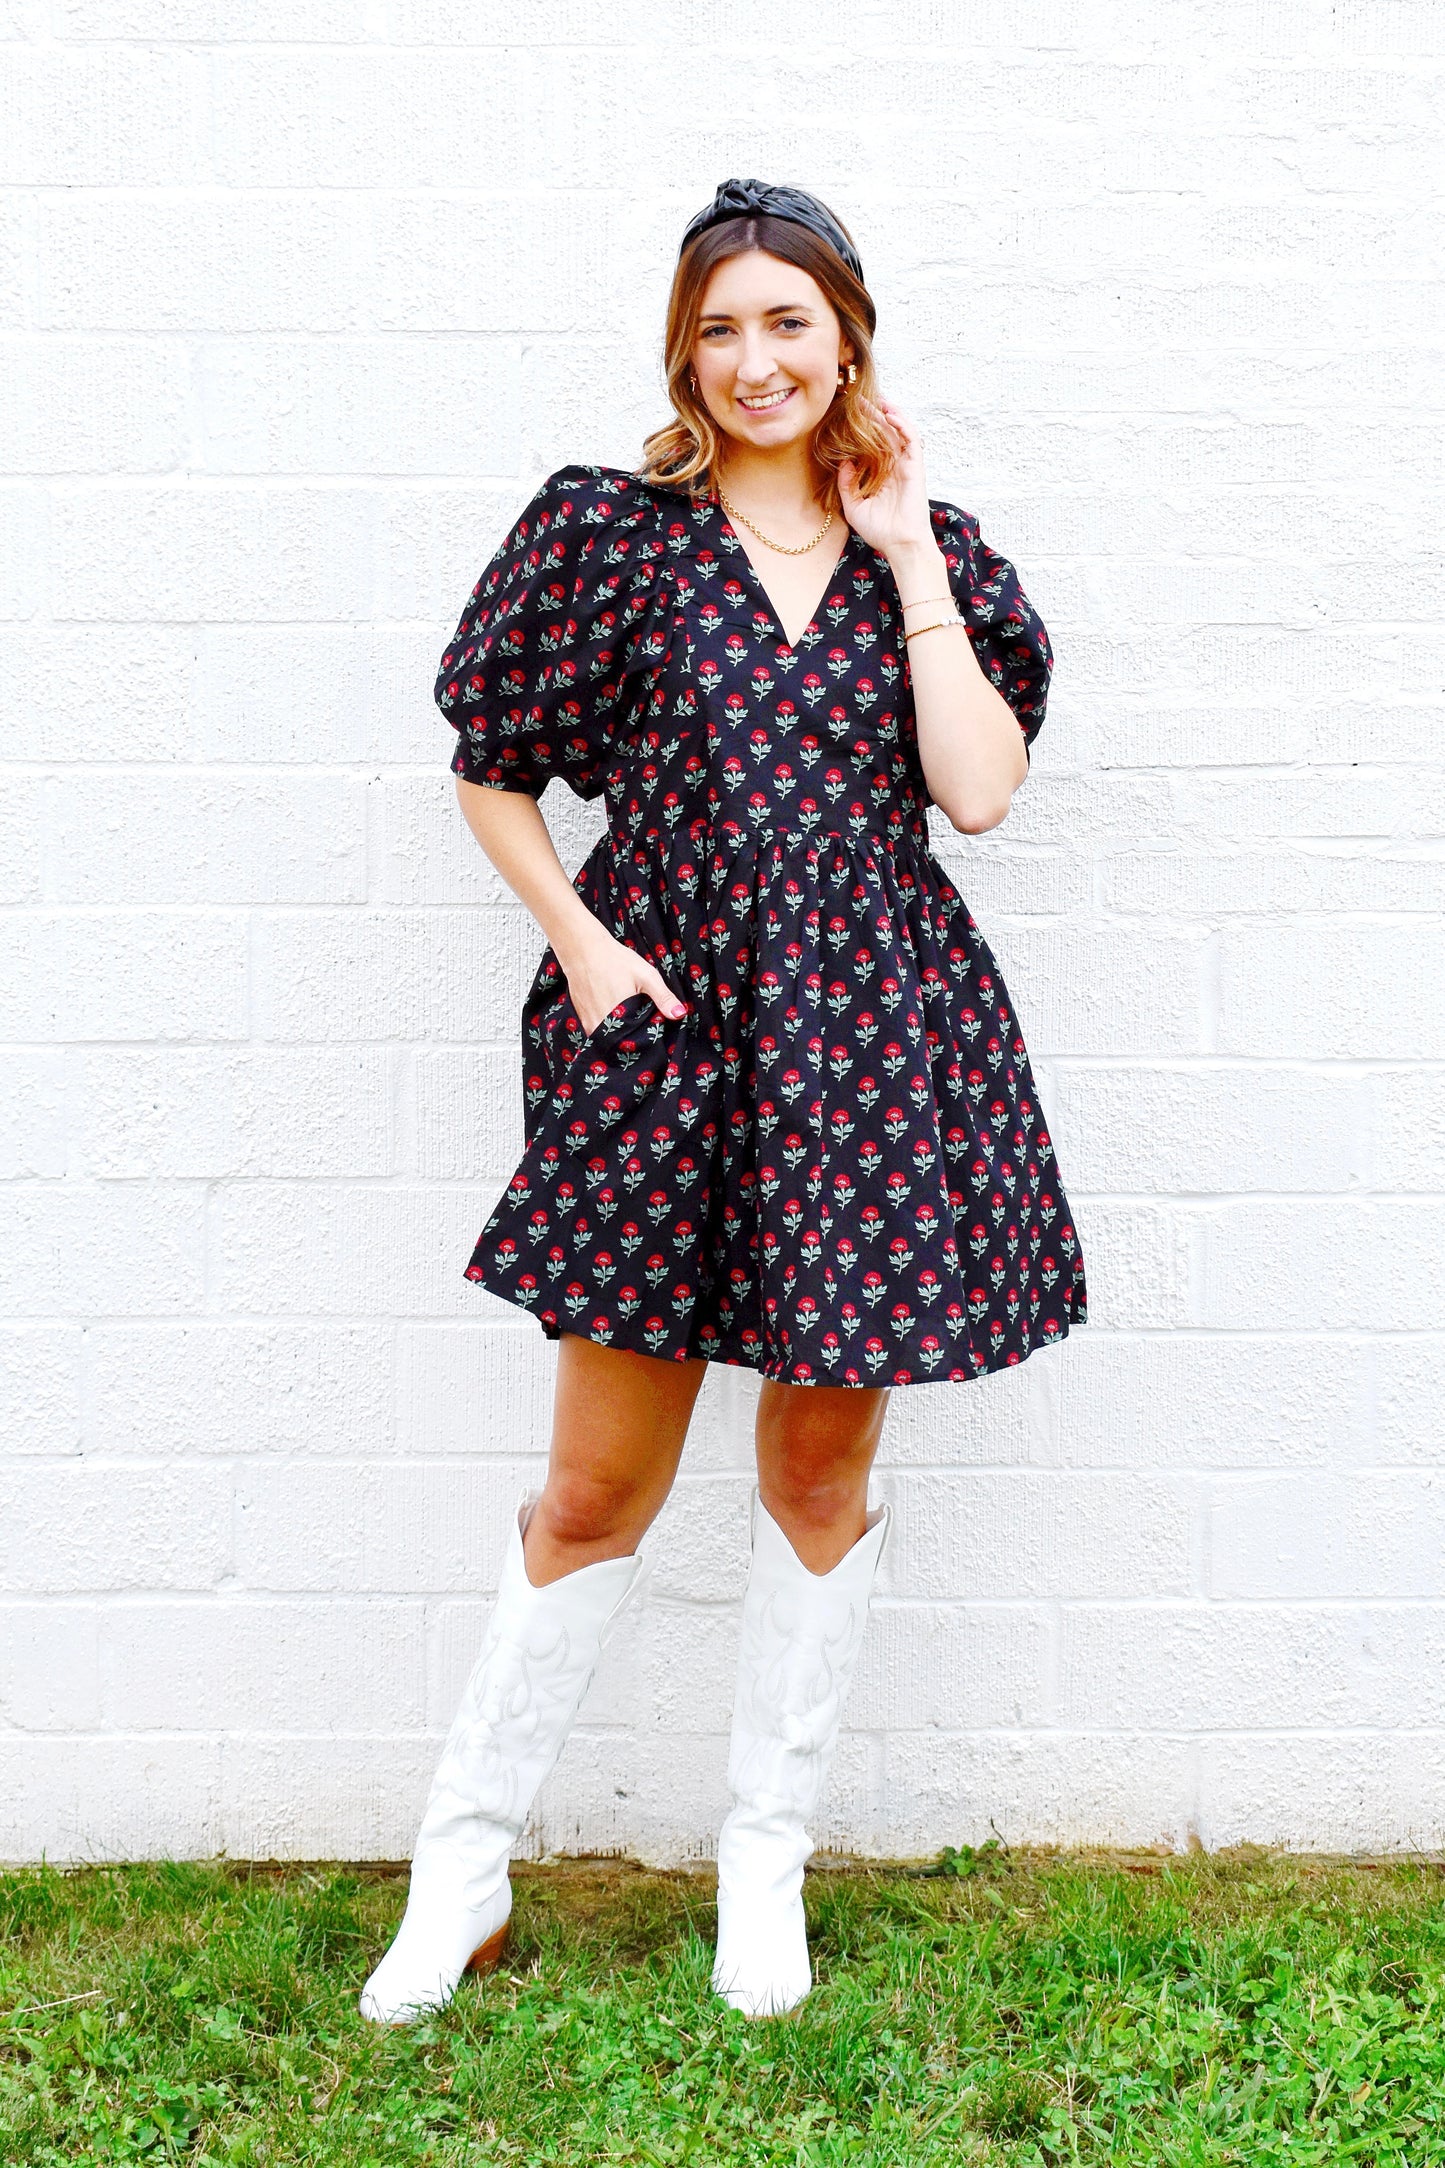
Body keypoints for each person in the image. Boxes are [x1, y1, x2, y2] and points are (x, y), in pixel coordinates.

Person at [360, 177, 1087, 2028]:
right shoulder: (604, 537)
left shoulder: (942, 556)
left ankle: (761, 1869)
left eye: (788, 322)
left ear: (846, 334)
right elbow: (492, 774)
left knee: (820, 1465)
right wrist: (584, 943)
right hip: (662, 1033)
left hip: (871, 1050)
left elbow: (979, 793)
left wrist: (908, 552)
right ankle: (465, 1869)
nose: (755, 359)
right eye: (719, 327)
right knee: (597, 1480)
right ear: (681, 348)